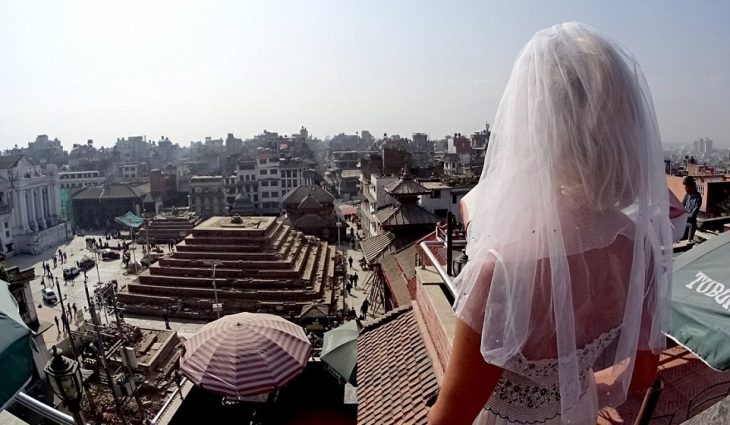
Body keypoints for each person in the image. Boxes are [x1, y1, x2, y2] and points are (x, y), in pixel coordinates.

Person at [427, 23, 671, 425]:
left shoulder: (501, 271)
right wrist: (572, 384)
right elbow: (642, 373)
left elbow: (450, 416)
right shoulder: (636, 245)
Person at [682, 176, 702, 241]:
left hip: (690, 225)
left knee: (687, 243)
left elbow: (693, 214)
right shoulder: (687, 195)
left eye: (686, 187)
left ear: (691, 186)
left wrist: (684, 216)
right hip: (683, 223)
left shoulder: (698, 198)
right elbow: (681, 206)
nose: (685, 189)